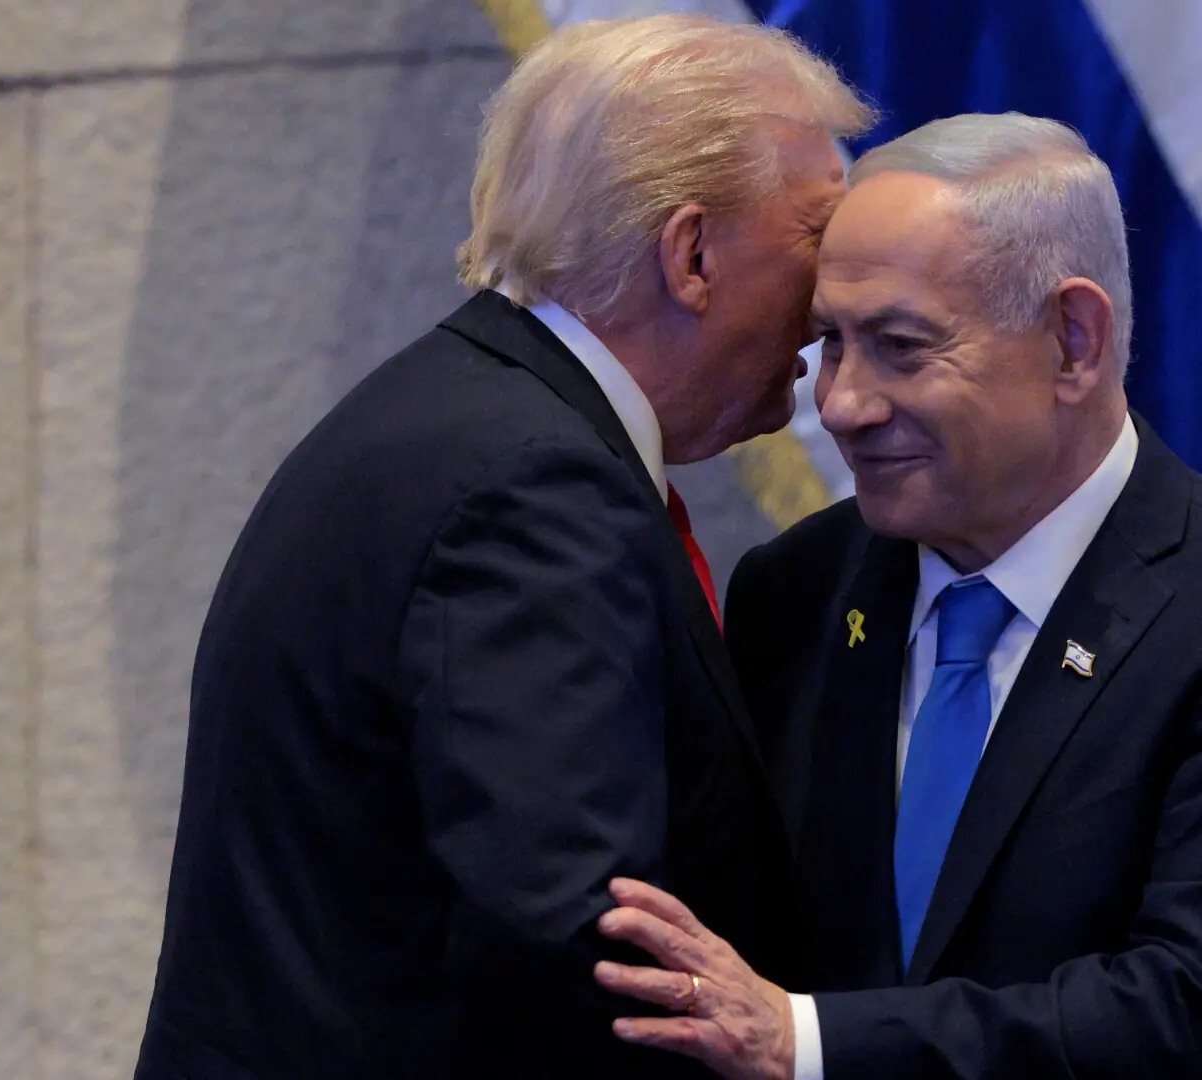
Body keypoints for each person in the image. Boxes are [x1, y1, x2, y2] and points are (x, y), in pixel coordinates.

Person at [591, 113, 1202, 1079]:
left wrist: (804, 1044)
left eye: (900, 346)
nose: (844, 403)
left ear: (1073, 340)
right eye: (833, 346)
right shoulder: (797, 593)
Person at [132, 15, 871, 1080]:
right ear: (693, 254)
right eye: (816, 235)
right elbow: (580, 950)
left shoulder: (462, 419)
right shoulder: (532, 486)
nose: (834, 292)